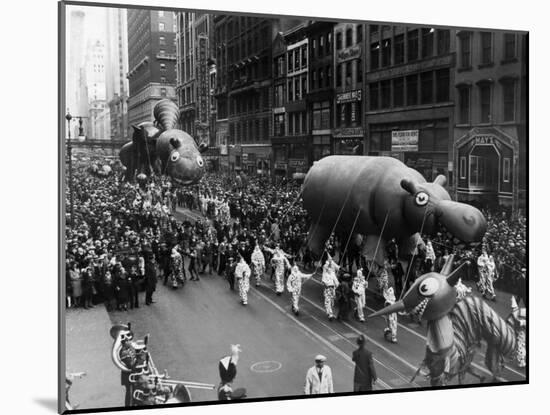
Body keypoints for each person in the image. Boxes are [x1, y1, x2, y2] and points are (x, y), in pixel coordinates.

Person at [321, 256, 340, 320]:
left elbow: (336, 281)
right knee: (327, 301)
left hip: (332, 289)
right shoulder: (325, 273)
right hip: (327, 289)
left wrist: (337, 285)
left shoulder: (332, 273)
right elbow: (323, 280)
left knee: (332, 302)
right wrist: (326, 284)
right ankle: (330, 313)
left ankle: (329, 311)